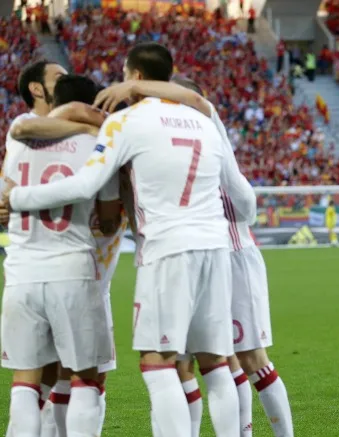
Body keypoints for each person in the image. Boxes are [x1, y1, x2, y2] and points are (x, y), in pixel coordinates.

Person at [2, 42, 256, 436]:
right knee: (217, 363)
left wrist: (15, 198)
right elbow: (245, 200)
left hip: (159, 251)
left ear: (133, 78)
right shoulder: (205, 118)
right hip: (213, 247)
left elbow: (78, 176)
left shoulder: (124, 123)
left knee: (156, 363)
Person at [0, 74, 121, 437]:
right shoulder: (97, 144)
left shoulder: (20, 136)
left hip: (20, 273)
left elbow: (5, 192)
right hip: (72, 270)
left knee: (26, 381)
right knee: (85, 378)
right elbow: (111, 220)